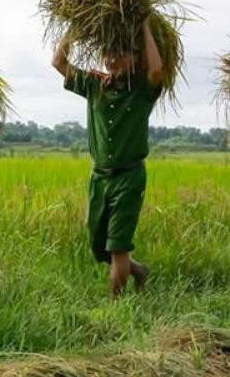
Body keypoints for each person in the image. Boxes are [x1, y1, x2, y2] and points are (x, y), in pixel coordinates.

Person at [52, 20, 162, 297]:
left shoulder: (142, 90)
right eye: (109, 53)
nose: (113, 59)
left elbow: (157, 69)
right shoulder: (94, 85)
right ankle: (138, 270)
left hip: (129, 177)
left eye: (121, 53)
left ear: (135, 57)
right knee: (99, 246)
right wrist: (74, 26)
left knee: (118, 245)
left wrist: (145, 26)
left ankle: (117, 305)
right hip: (99, 178)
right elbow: (58, 62)